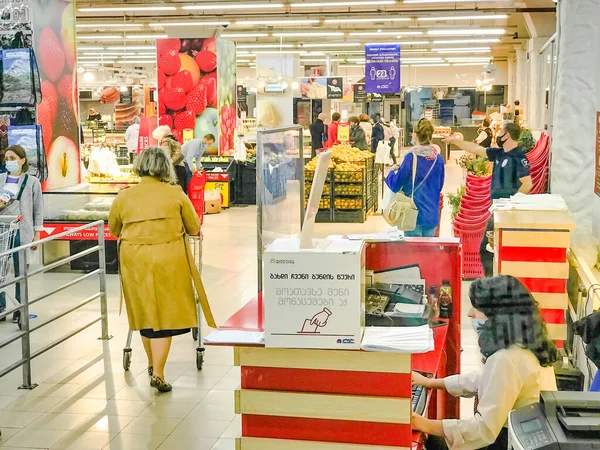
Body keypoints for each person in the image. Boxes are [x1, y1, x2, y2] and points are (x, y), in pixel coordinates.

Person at [108, 146, 216, 392]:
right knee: (164, 315)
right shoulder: (175, 193)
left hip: (134, 259)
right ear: (165, 167)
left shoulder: (124, 196)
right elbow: (193, 226)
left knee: (145, 311)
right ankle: (158, 371)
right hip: (169, 259)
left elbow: (114, 229)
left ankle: (151, 364)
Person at [412, 275, 558, 450]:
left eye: (478, 308)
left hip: (504, 442)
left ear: (499, 315)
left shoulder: (507, 359)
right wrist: (430, 382)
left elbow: (483, 430)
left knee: (432, 441)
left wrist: (424, 424)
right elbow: (485, 379)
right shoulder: (527, 345)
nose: (470, 313)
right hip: (521, 437)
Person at [445, 123, 532, 276]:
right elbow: (475, 148)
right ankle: (493, 281)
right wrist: (454, 141)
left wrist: (511, 204)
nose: (498, 135)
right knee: (489, 250)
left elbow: (527, 184)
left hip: (508, 212)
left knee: (488, 249)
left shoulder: (519, 157)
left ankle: (493, 283)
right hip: (497, 209)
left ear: (507, 135)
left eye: (501, 132)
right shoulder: (499, 153)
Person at [0, 146, 43, 324]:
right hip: (2, 230)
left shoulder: (32, 182)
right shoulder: (1, 179)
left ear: (22, 160)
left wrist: (37, 234)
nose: (9, 161)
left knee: (21, 271)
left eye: (13, 157)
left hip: (22, 230)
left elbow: (38, 209)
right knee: (1, 270)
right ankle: (1, 306)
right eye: (6, 158)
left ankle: (20, 306)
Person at [386, 118, 444, 237]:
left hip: (412, 214)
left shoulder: (411, 157)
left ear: (415, 135)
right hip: (431, 214)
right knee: (427, 253)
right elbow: (440, 185)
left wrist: (392, 172)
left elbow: (397, 184)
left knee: (413, 254)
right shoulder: (438, 159)